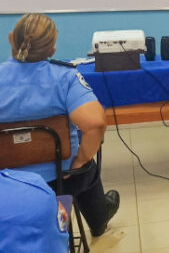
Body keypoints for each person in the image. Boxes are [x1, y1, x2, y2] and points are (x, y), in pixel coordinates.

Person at [0, 13, 120, 237]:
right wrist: (80, 161)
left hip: (6, 184)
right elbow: (95, 124)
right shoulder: (65, 77)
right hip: (60, 181)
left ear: (10, 39)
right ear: (52, 50)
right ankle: (98, 223)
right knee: (87, 167)